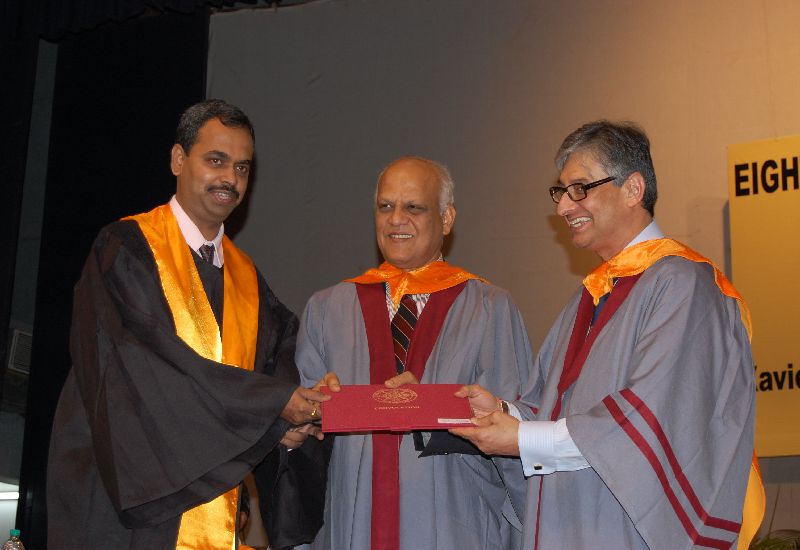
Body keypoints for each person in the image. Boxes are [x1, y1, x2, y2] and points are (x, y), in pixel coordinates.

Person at [451, 120, 765, 549]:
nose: (564, 207)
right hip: (575, 520)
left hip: (625, 528)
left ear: (633, 189)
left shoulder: (684, 285)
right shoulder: (592, 293)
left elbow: (649, 414)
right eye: (561, 191)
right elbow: (555, 405)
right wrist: (506, 412)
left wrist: (522, 438)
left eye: (580, 188)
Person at [47, 99, 329, 549]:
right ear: (178, 159)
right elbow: (145, 371)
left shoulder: (250, 286)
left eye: (242, 167)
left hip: (217, 518)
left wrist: (296, 420)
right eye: (216, 160)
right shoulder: (126, 249)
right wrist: (275, 405)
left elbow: (278, 379)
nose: (230, 178)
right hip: (131, 516)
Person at [292, 156, 533, 550]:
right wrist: (311, 415)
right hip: (352, 526)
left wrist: (431, 406)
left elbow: (517, 430)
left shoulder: (490, 309)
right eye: (385, 206)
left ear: (447, 218)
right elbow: (299, 447)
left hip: (454, 524)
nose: (395, 219)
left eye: (414, 207)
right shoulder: (327, 309)